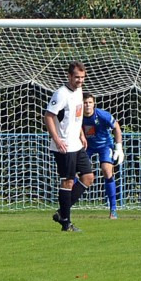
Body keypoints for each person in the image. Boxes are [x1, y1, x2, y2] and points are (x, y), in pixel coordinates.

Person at [45, 61, 94, 232]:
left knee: (88, 177)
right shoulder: (61, 94)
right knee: (68, 181)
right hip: (64, 145)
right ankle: (66, 222)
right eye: (77, 77)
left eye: (82, 77)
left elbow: (76, 116)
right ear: (69, 76)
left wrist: (81, 134)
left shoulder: (79, 91)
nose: (80, 80)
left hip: (76, 144)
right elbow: (48, 116)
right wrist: (57, 139)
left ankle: (61, 212)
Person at [82, 93, 124, 219]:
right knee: (76, 171)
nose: (87, 105)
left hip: (104, 146)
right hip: (87, 146)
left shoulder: (102, 115)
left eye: (90, 102)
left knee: (106, 170)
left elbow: (116, 127)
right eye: (85, 102)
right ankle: (67, 206)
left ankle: (113, 209)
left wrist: (119, 147)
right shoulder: (77, 116)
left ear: (94, 103)